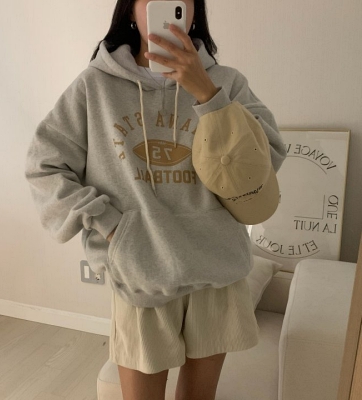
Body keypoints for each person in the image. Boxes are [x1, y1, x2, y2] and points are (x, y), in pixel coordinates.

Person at [25, 0, 287, 399]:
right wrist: (112, 226)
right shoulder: (96, 86)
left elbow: (266, 160)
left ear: (193, 11)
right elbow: (44, 165)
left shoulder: (227, 83)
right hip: (141, 270)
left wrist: (208, 94)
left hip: (217, 268)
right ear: (131, 11)